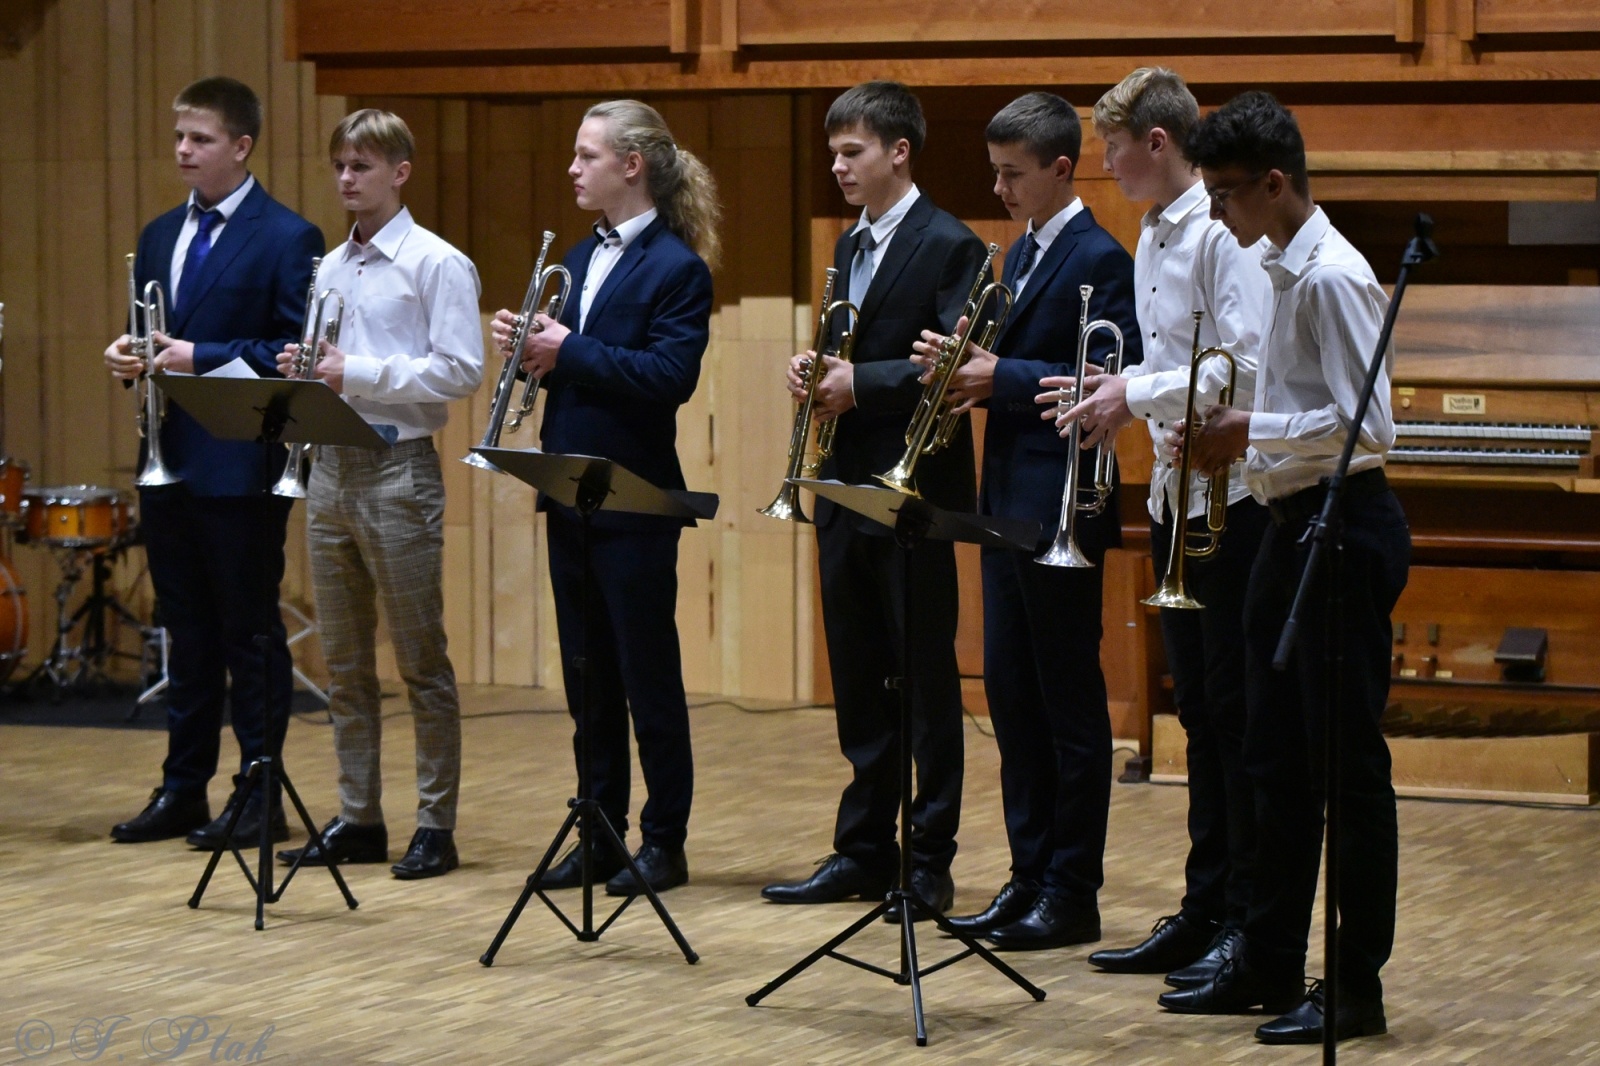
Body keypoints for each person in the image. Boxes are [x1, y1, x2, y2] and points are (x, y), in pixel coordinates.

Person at [1153, 90, 1408, 1045]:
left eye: (1225, 193)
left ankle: (1354, 987)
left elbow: (1373, 429)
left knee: (1344, 768)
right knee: (1271, 757)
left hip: (1344, 531)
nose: (1216, 213)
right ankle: (1266, 957)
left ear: (1274, 182)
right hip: (1285, 524)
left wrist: (1246, 427)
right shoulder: (1271, 260)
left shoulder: (1335, 277)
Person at [1041, 67, 1270, 983]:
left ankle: (1248, 916)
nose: (1107, 163)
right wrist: (1115, 397)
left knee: (1234, 721)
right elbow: (1177, 360)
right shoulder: (1149, 237)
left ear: (1159, 142)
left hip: (1236, 497)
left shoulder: (1218, 233)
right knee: (1200, 716)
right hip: (1176, 495)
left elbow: (1241, 367)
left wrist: (1128, 391)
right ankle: (1205, 903)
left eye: (1115, 146)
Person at [910, 92, 1141, 949]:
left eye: (1013, 174)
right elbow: (1010, 367)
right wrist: (959, 365)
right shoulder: (1026, 252)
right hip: (1007, 508)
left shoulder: (1099, 257)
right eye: (994, 172)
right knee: (1011, 701)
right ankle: (1027, 874)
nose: (999, 188)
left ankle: (1071, 890)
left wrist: (994, 375)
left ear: (1058, 168)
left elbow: (1103, 373)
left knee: (1067, 711)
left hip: (1062, 513)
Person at [760, 82, 985, 918]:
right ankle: (863, 850)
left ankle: (929, 861)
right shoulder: (850, 245)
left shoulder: (951, 244)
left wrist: (863, 383)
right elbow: (844, 352)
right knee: (859, 677)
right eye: (833, 152)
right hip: (845, 485)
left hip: (913, 493)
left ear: (898, 152)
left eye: (852, 151)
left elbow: (955, 362)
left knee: (924, 683)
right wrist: (815, 372)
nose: (837, 166)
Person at [491, 99, 720, 896]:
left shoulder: (677, 267)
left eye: (587, 156)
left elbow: (668, 379)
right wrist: (530, 353)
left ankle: (666, 839)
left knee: (646, 673)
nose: (572, 168)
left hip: (636, 498)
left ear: (631, 165)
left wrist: (570, 349)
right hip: (572, 491)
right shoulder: (585, 256)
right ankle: (599, 825)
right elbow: (575, 367)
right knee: (588, 674)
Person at [103, 77, 322, 847]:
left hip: (242, 465)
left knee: (247, 635)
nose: (183, 151)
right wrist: (128, 353)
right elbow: (149, 332)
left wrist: (201, 354)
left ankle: (259, 791)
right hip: (169, 457)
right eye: (178, 138)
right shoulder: (161, 233)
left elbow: (294, 351)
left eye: (199, 139)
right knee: (185, 632)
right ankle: (182, 787)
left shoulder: (289, 236)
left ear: (241, 146)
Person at [272, 109, 483, 880]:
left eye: (362, 165)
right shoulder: (329, 267)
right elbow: (329, 365)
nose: (346, 179)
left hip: (397, 468)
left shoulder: (437, 263)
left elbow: (460, 371)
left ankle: (436, 824)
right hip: (329, 469)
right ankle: (359, 814)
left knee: (421, 659)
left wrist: (350, 372)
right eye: (339, 166)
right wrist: (309, 369)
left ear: (400, 172)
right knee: (345, 662)